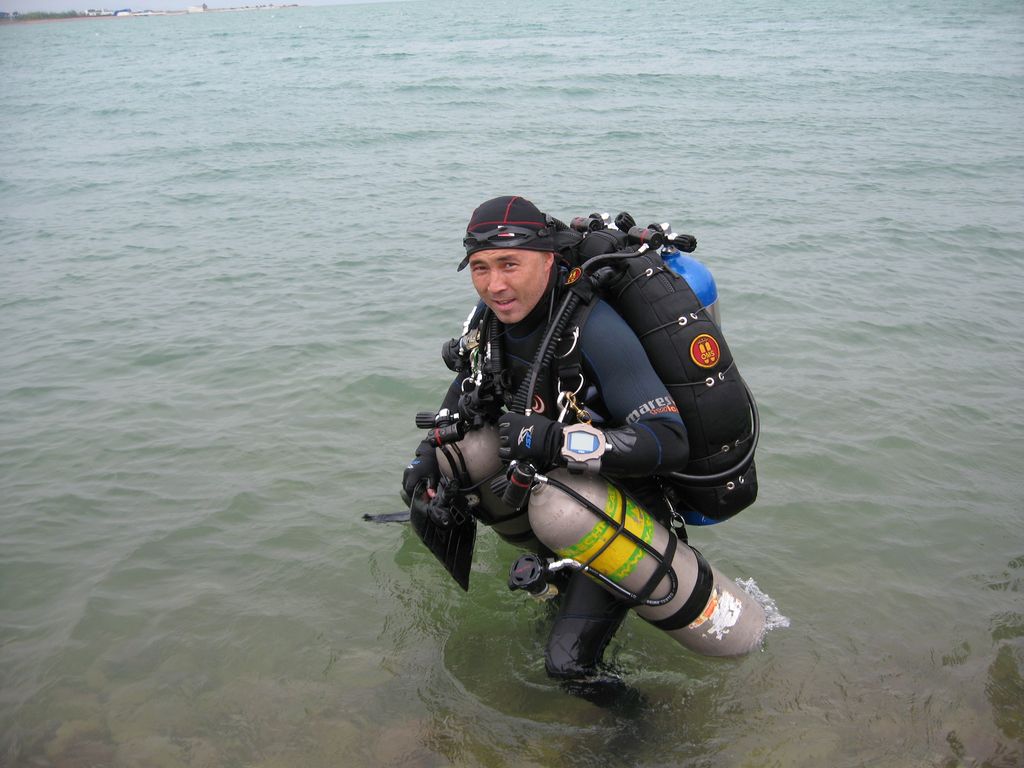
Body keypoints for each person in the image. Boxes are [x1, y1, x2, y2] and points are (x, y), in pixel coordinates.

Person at [401, 196, 764, 688]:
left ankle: (644, 725)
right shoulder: (492, 319)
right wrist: (425, 457)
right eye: (481, 268)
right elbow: (468, 388)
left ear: (547, 259)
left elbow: (669, 439)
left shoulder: (593, 330)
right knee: (457, 456)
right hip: (558, 492)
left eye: (510, 264)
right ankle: (565, 579)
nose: (495, 285)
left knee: (566, 665)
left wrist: (557, 441)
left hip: (619, 509)